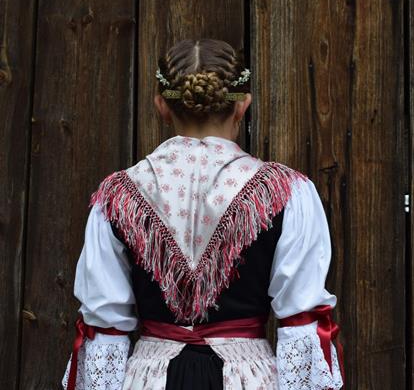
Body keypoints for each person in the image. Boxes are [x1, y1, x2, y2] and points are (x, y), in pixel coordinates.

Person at [61, 38, 344, 390]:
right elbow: (301, 320)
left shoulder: (118, 196)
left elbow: (104, 325)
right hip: (247, 377)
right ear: (242, 105)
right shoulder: (287, 191)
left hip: (149, 377)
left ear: (161, 106)